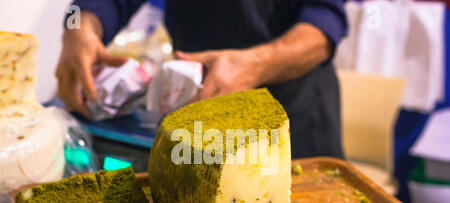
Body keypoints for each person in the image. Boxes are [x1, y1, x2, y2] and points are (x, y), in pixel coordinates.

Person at [56, 0, 348, 159]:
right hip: (198, 114)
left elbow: (323, 28)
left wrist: (255, 65)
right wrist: (78, 26)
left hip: (294, 121)